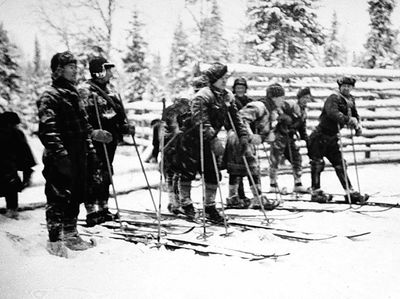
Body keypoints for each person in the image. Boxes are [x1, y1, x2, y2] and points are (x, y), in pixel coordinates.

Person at [37, 51, 112, 257]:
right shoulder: (50, 96)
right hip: (60, 157)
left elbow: (83, 126)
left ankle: (70, 234)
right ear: (59, 70)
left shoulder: (73, 94)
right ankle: (55, 240)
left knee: (77, 194)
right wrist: (60, 156)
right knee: (58, 197)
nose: (75, 71)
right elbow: (48, 130)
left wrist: (93, 138)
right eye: (71, 67)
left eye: (75, 67)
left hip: (79, 154)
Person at [174, 63, 249, 223]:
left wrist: (242, 134)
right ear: (214, 79)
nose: (225, 81)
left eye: (226, 78)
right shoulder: (202, 96)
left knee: (213, 173)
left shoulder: (227, 95)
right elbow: (200, 121)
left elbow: (235, 117)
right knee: (188, 172)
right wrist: (214, 139)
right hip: (191, 139)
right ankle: (185, 203)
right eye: (222, 78)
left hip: (208, 139)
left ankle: (209, 207)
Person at [79, 55, 135, 226]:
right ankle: (91, 210)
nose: (111, 73)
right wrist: (93, 133)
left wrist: (125, 127)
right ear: (99, 72)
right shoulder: (85, 92)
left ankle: (103, 207)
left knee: (106, 173)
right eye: (107, 70)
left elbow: (117, 117)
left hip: (109, 141)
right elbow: (81, 119)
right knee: (93, 173)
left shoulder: (111, 92)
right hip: (93, 141)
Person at [224, 84, 284, 210]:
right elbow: (241, 118)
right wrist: (251, 136)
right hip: (239, 137)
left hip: (242, 138)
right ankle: (257, 198)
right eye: (281, 98)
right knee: (251, 167)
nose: (283, 100)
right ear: (274, 97)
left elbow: (262, 129)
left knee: (240, 168)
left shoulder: (270, 110)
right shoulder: (259, 106)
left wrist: (267, 135)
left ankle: (234, 197)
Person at [308, 76, 367, 203]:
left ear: (352, 88)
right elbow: (332, 113)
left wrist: (357, 125)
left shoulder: (350, 99)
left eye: (349, 86)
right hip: (319, 136)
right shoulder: (333, 98)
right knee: (317, 164)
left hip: (333, 138)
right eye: (344, 86)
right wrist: (347, 120)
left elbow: (355, 115)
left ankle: (349, 191)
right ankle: (315, 192)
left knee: (340, 164)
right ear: (340, 87)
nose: (346, 88)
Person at [163, 75, 209, 215]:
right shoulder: (185, 105)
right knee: (174, 173)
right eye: (197, 89)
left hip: (191, 145)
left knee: (184, 173)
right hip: (176, 145)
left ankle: (181, 202)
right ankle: (176, 202)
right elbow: (171, 125)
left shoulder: (206, 104)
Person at [268, 87, 312, 194]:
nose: (305, 100)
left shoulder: (303, 113)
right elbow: (277, 109)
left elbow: (302, 128)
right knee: (275, 159)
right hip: (280, 135)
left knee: (296, 158)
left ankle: (298, 183)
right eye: (304, 97)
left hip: (290, 137)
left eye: (308, 98)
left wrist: (307, 140)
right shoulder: (291, 104)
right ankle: (273, 184)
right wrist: (283, 117)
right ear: (299, 98)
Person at [0, 111, 36, 219]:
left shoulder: (14, 133)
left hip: (8, 167)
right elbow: (24, 153)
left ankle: (12, 210)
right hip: (8, 169)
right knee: (11, 187)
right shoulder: (15, 133)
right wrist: (27, 172)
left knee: (10, 186)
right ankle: (12, 210)